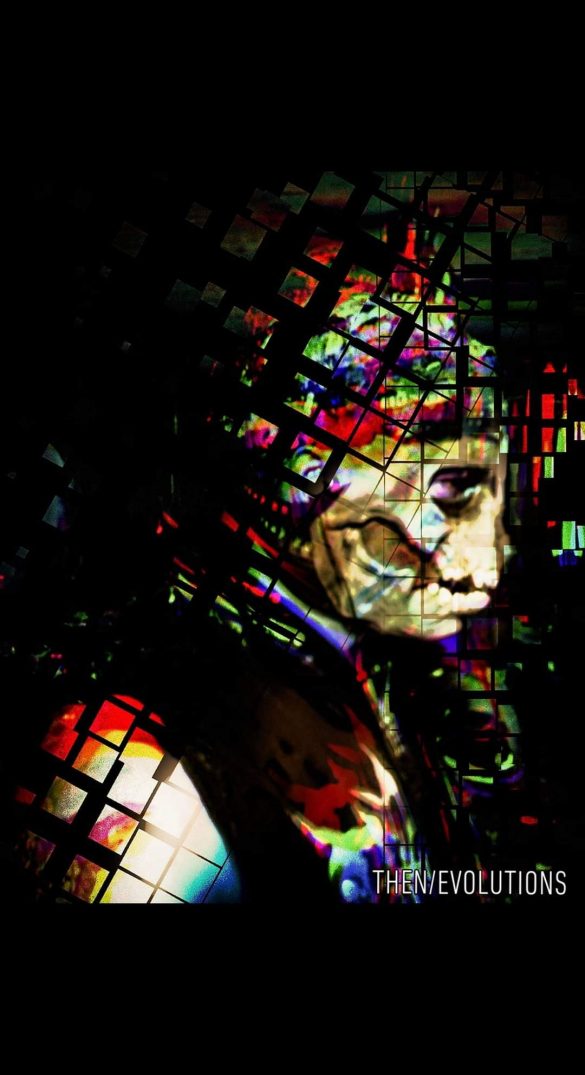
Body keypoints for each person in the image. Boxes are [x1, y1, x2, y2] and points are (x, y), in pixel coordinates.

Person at [9, 186, 552, 905]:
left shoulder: (369, 676)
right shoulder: (141, 787)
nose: (482, 565)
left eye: (489, 488)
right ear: (289, 480)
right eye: (450, 488)